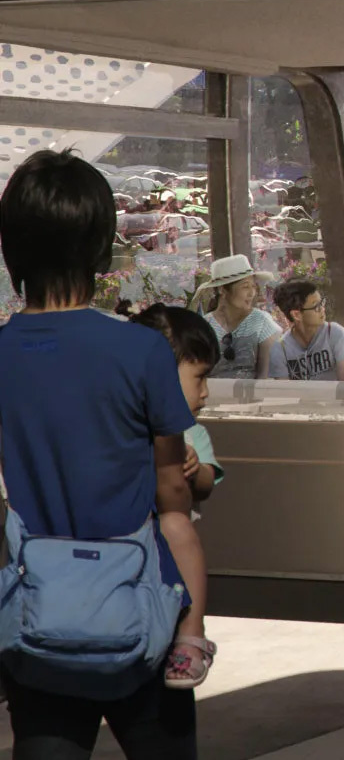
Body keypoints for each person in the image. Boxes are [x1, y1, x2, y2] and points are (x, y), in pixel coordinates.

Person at [0, 150, 208, 757]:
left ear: (12, 247)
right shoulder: (140, 352)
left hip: (37, 609)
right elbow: (172, 493)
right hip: (137, 604)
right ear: (100, 246)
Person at [130, 307, 224, 505]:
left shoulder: (193, 431)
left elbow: (207, 484)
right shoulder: (125, 426)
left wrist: (196, 470)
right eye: (200, 377)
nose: (205, 391)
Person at [194, 254, 279, 383]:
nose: (252, 293)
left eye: (253, 286)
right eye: (245, 287)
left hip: (252, 398)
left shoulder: (261, 321)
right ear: (223, 290)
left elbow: (265, 377)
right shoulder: (203, 327)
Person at [255, 281, 344, 383]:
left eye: (322, 303)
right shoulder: (281, 349)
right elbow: (285, 392)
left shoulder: (336, 334)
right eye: (316, 306)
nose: (322, 309)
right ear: (296, 315)